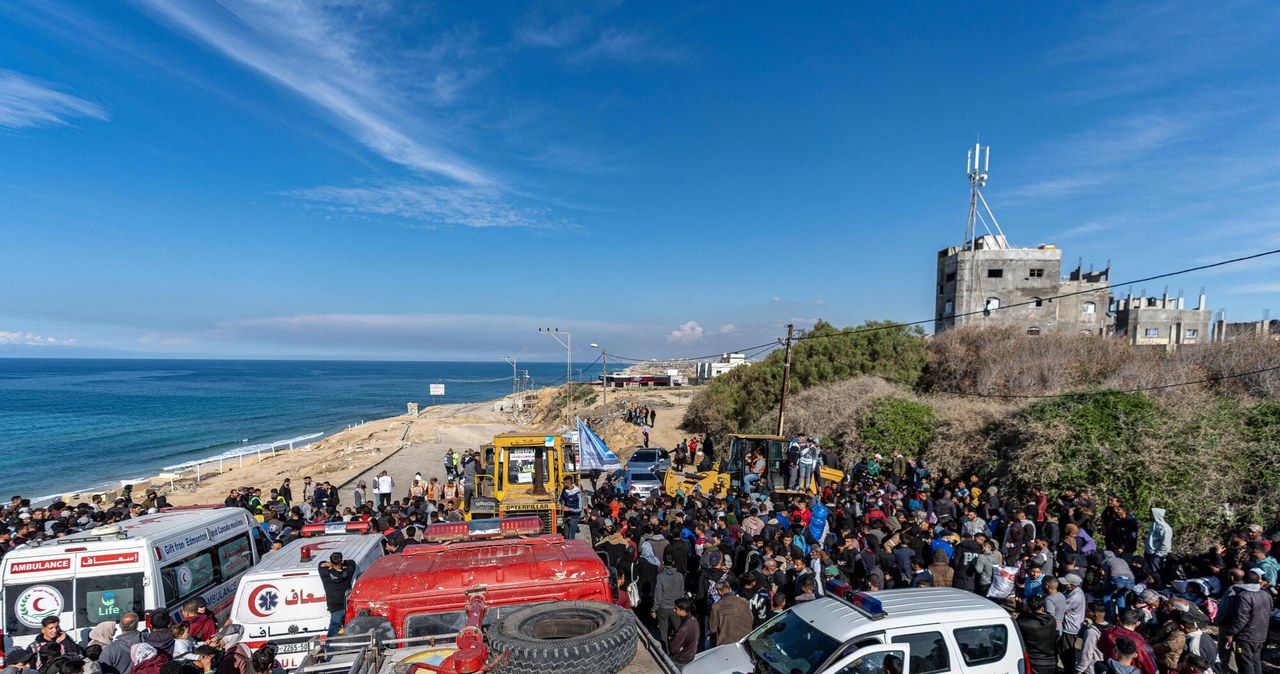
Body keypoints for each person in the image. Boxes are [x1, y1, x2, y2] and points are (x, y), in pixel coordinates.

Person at [1218, 570, 1268, 674]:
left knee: (1245, 662)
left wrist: (1231, 633)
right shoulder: (1266, 595)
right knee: (1256, 660)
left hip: (1246, 636)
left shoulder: (1243, 595)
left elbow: (1241, 618)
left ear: (1244, 580)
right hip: (1261, 635)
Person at [319, 552, 356, 642]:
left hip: (334, 608)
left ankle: (330, 651)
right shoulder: (348, 571)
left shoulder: (325, 573)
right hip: (348, 606)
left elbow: (320, 564)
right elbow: (352, 562)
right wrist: (341, 563)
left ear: (331, 561)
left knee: (333, 634)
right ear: (341, 560)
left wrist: (330, 564)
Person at [1016, 595, 1058, 674]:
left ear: (1027, 607)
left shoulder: (1023, 623)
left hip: (1034, 662)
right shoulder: (1051, 620)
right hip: (1051, 661)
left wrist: (1024, 612)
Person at [708, 580, 754, 646]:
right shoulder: (743, 601)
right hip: (745, 641)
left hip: (726, 644)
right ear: (730, 589)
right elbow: (751, 619)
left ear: (719, 591)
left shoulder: (716, 606)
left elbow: (713, 629)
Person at [668, 597, 699, 667]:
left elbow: (673, 648)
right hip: (691, 654)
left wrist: (671, 639)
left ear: (682, 611)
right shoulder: (694, 620)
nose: (674, 610)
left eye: (676, 609)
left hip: (682, 658)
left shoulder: (684, 628)